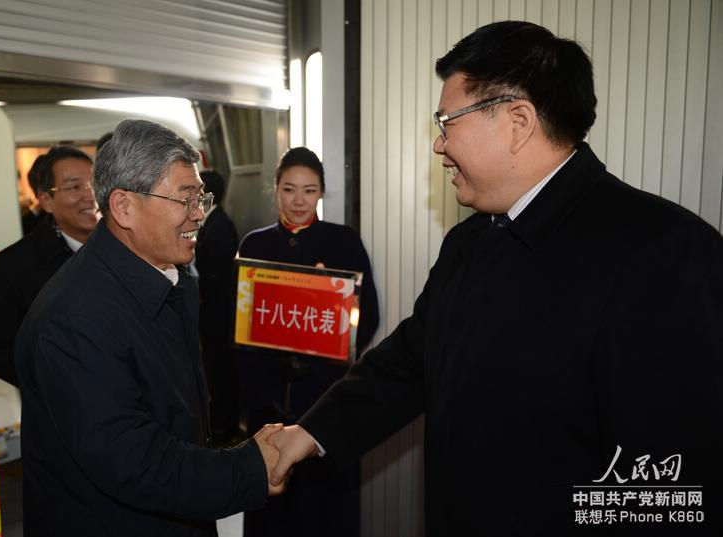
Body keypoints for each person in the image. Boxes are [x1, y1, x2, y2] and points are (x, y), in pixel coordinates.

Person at [267, 21, 723, 536]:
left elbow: (671, 486)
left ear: (517, 120)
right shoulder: (470, 241)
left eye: (447, 122)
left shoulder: (665, 251)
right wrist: (312, 430)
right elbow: (410, 362)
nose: (439, 145)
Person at [15, 119, 284, 536]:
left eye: (202, 198)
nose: (199, 214)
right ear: (124, 207)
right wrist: (248, 466)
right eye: (185, 198)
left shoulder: (168, 280)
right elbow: (133, 462)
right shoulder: (73, 320)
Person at [237, 146, 379, 537]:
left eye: (309, 190)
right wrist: (258, 391)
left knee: (326, 509)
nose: (299, 200)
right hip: (268, 402)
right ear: (275, 190)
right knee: (271, 504)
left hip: (326, 396)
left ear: (321, 193)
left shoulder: (344, 241)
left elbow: (366, 319)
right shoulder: (254, 244)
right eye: (289, 189)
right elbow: (242, 327)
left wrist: (321, 366)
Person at [0, 145, 98, 386]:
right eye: (74, 186)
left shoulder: (131, 248)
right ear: (46, 201)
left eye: (95, 183)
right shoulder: (12, 267)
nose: (90, 195)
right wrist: (52, 381)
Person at [194, 169, 241, 445]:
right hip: (211, 314)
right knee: (215, 369)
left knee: (223, 371)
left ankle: (227, 423)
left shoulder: (220, 226)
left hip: (220, 315)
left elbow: (215, 274)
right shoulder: (209, 224)